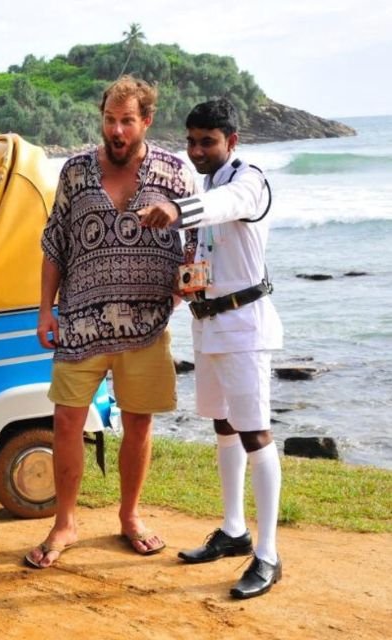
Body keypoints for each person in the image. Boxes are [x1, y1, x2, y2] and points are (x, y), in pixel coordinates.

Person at [26, 75, 195, 569]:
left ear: (146, 121)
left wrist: (187, 285)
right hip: (80, 319)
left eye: (127, 121)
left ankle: (129, 516)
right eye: (109, 119)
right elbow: (55, 243)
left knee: (138, 425)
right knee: (65, 422)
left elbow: (194, 243)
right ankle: (64, 523)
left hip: (146, 324)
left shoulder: (174, 172)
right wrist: (44, 309)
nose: (117, 130)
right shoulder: (76, 172)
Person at [138, 98, 284, 599]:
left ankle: (267, 555)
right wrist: (189, 282)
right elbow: (208, 246)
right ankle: (234, 530)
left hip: (244, 326)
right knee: (224, 426)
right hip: (209, 322)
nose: (197, 150)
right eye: (192, 141)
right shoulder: (208, 184)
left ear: (232, 141)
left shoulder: (250, 180)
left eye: (208, 141)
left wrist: (176, 210)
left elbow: (231, 208)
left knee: (256, 433)